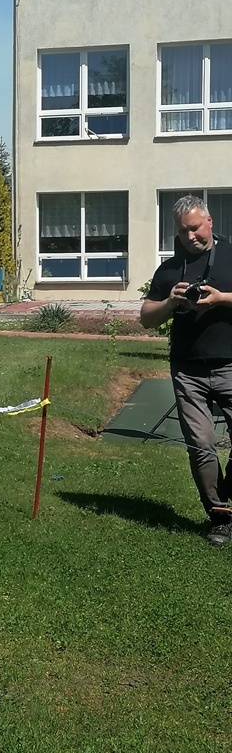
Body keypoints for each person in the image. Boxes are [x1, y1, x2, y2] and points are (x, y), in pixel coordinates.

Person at [141, 194, 232, 547]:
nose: (191, 236)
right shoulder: (169, 269)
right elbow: (146, 318)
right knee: (201, 445)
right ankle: (220, 518)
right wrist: (171, 302)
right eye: (183, 232)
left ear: (209, 221)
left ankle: (226, 489)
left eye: (195, 228)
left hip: (230, 364)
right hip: (188, 370)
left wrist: (221, 298)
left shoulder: (230, 255)